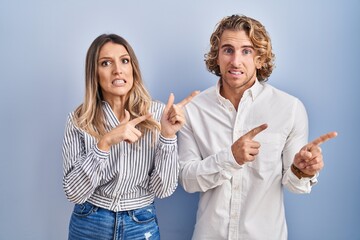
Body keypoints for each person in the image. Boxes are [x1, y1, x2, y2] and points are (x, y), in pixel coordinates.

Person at [178, 14, 337, 240]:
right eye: (228, 50)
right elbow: (188, 180)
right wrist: (230, 157)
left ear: (260, 59)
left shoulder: (289, 108)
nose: (236, 61)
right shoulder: (194, 109)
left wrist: (302, 170)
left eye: (246, 51)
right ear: (217, 56)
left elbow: (294, 185)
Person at [62, 33, 197, 240]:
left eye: (124, 60)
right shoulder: (79, 120)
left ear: (133, 68)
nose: (118, 69)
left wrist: (168, 136)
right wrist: (105, 143)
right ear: (94, 73)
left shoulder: (159, 115)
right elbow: (74, 193)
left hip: (140, 223)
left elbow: (163, 190)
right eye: (106, 63)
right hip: (90, 223)